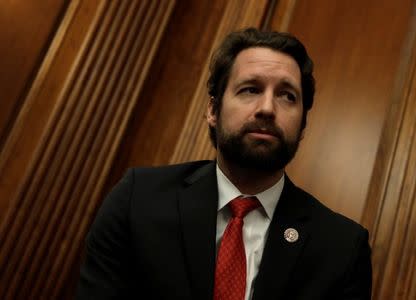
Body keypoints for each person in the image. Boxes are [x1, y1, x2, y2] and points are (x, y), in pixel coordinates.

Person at [76, 28, 372, 300]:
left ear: (303, 125)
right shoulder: (139, 200)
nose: (268, 108)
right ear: (213, 110)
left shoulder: (342, 248)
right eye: (250, 89)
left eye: (287, 96)